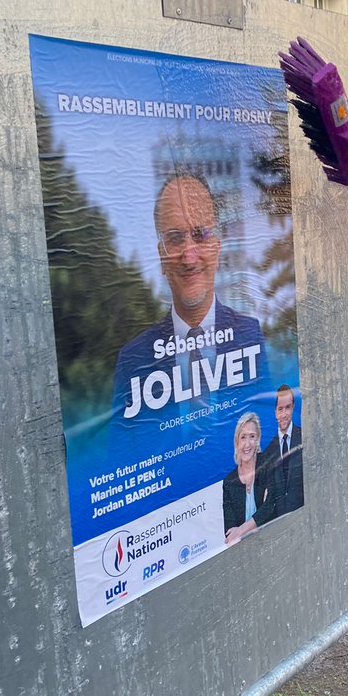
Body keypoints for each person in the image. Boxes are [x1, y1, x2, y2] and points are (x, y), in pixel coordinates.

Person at [110, 172, 267, 472]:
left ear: (217, 247)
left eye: (200, 234)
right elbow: (121, 463)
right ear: (161, 255)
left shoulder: (251, 335)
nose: (189, 255)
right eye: (174, 238)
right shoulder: (132, 360)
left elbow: (266, 430)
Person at [222, 411, 275, 544]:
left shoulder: (268, 463)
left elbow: (272, 506)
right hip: (245, 551)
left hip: (273, 540)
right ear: (236, 442)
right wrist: (259, 519)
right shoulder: (229, 483)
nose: (247, 444)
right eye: (243, 437)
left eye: (252, 436)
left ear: (257, 439)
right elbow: (230, 533)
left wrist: (240, 530)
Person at [257, 384, 304, 519]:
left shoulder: (304, 437)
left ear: (293, 407)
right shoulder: (268, 452)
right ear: (275, 412)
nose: (284, 414)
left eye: (288, 408)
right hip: (280, 522)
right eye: (280, 409)